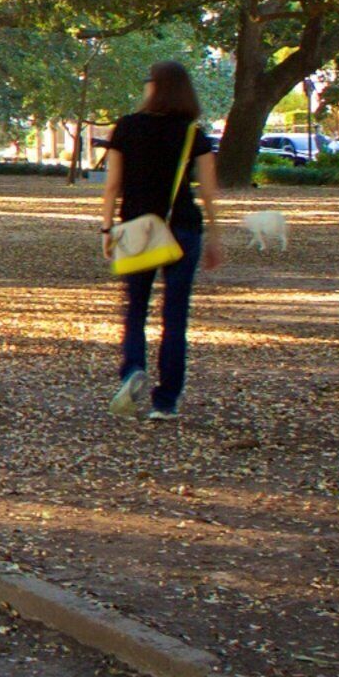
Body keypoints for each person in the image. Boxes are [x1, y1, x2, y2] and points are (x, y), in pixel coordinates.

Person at [103, 60, 228, 420]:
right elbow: (208, 191)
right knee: (175, 317)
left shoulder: (126, 127)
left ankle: (132, 372)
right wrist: (216, 236)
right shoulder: (192, 133)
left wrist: (106, 228)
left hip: (137, 228)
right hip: (183, 227)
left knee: (136, 310)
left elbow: (113, 185)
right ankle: (166, 401)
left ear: (155, 87)